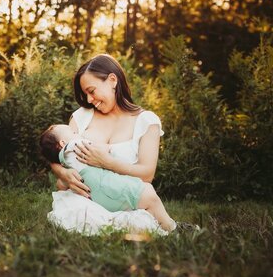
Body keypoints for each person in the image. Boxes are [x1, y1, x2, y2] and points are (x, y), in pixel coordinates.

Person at [47, 53, 194, 235]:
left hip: (126, 201)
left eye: (91, 91)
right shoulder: (82, 116)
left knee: (136, 219)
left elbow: (147, 174)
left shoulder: (146, 121)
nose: (89, 100)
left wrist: (106, 162)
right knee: (79, 214)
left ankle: (170, 227)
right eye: (85, 94)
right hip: (84, 200)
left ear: (112, 80)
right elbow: (59, 154)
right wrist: (64, 173)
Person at [39, 123, 177, 232]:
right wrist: (110, 149)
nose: (78, 134)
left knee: (145, 201)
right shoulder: (74, 146)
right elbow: (98, 149)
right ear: (63, 143)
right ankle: (172, 228)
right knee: (149, 194)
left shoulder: (66, 162)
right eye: (73, 133)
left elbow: (62, 182)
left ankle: (161, 224)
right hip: (110, 188)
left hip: (98, 197)